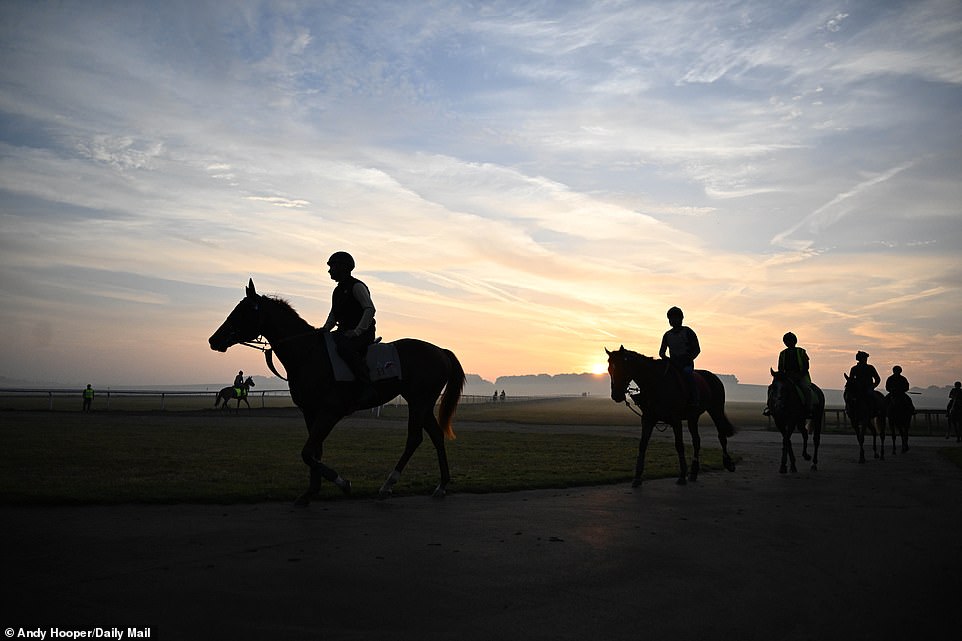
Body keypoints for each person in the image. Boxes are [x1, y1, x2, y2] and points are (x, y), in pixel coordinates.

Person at [321, 251, 378, 407]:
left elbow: (369, 309)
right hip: (344, 332)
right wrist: (325, 329)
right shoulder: (337, 291)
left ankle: (366, 386)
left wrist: (357, 331)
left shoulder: (357, 286)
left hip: (362, 333)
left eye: (332, 266)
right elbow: (334, 314)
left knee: (344, 348)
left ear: (342, 267)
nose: (329, 270)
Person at [658, 306, 700, 406]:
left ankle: (695, 398)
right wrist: (665, 358)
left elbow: (697, 350)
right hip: (672, 364)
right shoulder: (667, 335)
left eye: (675, 318)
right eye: (671, 319)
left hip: (686, 364)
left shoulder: (688, 332)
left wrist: (688, 358)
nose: (673, 321)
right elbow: (661, 352)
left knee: (688, 377)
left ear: (681, 318)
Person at [774, 331, 813, 415]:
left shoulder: (802, 351)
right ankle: (773, 407)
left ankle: (808, 408)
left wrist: (799, 376)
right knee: (775, 388)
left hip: (801, 376)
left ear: (794, 341)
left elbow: (806, 366)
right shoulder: (782, 353)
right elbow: (780, 367)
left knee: (806, 389)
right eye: (786, 341)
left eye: (790, 341)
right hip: (787, 377)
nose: (788, 343)